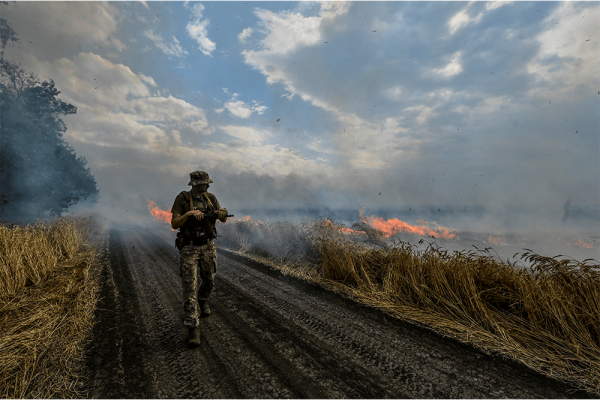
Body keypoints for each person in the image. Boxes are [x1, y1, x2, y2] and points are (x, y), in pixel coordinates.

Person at [170, 171, 228, 348]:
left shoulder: (210, 198)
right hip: (189, 247)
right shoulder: (182, 199)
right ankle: (193, 327)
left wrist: (221, 213)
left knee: (209, 281)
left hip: (208, 246)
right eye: (205, 183)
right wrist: (189, 215)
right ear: (195, 184)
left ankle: (203, 301)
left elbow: (223, 217)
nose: (208, 186)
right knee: (190, 288)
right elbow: (174, 224)